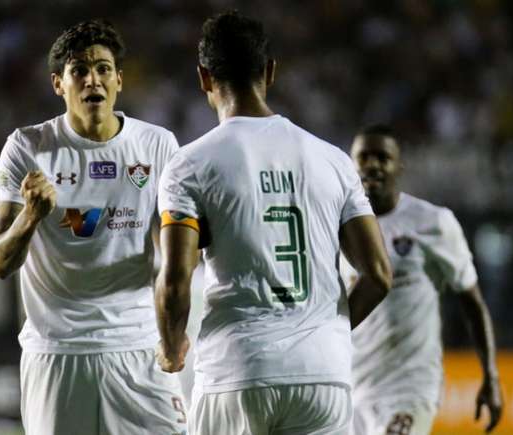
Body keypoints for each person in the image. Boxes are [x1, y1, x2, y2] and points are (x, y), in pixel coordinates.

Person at [154, 11, 392, 435]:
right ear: (270, 72)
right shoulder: (334, 161)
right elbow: (378, 275)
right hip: (324, 376)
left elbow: (175, 279)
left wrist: (172, 347)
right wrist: (326, 332)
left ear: (204, 78)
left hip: (239, 370)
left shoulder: (189, 165)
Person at [0, 19, 186, 435]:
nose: (91, 78)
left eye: (102, 68)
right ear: (59, 83)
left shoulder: (157, 145)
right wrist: (30, 215)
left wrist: (172, 333)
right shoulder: (27, 147)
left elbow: (177, 250)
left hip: (137, 348)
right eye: (79, 70)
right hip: (58, 352)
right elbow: (0, 261)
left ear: (118, 80)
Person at [345, 125, 504, 435]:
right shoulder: (337, 227)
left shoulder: (433, 223)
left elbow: (472, 303)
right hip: (351, 388)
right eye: (364, 157)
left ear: (399, 165)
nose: (373, 165)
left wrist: (491, 377)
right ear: (351, 163)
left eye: (383, 157)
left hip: (409, 389)